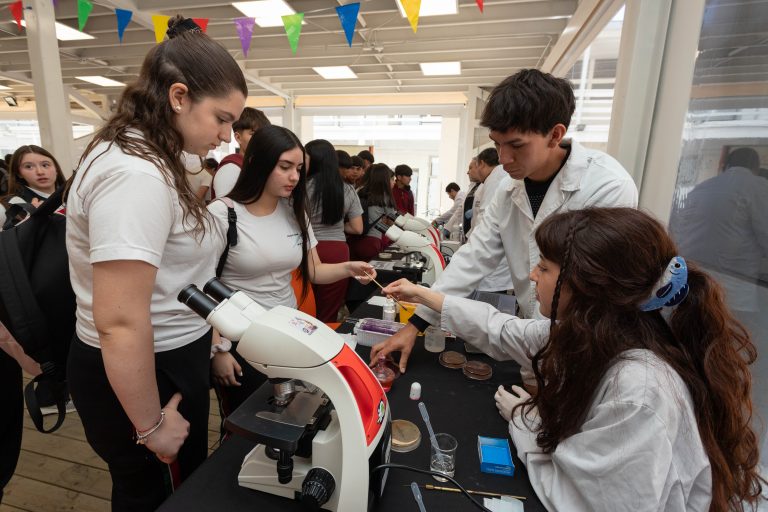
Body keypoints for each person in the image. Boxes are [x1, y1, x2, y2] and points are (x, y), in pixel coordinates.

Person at [382, 207, 765, 511]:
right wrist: (425, 296)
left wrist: (525, 425)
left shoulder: (640, 391)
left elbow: (587, 501)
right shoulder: (596, 334)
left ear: (589, 285)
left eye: (545, 268)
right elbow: (505, 331)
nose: (532, 275)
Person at [65, 16, 247, 511]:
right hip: (145, 369)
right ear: (179, 96)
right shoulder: (134, 175)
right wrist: (150, 425)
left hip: (168, 354)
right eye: (223, 118)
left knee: (172, 488)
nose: (228, 137)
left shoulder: (147, 154)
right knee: (155, 495)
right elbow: (120, 322)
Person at [371, 68, 638, 373]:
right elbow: (473, 258)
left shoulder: (606, 187)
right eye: (497, 144)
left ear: (555, 134)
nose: (504, 158)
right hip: (532, 335)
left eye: (516, 145)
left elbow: (590, 300)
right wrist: (414, 324)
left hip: (584, 346)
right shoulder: (510, 188)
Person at [207, 126, 374, 419]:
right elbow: (201, 286)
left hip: (286, 331)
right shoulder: (223, 214)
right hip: (240, 339)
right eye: (285, 167)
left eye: (298, 168)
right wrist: (218, 349)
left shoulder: (295, 212)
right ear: (258, 163)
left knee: (290, 415)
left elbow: (314, 270)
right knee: (245, 419)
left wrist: (348, 268)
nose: (295, 177)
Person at [306, 139, 364, 323]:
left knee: (304, 309)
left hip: (306, 250)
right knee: (329, 311)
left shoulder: (301, 188)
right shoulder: (348, 189)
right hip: (337, 251)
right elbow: (357, 227)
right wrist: (339, 226)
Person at [0, 145, 66, 229]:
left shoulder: (74, 195)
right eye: (29, 167)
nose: (40, 172)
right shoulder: (11, 205)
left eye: (45, 165)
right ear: (19, 173)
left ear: (56, 169)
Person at [212, 107, 270, 198]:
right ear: (238, 137)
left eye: (263, 134)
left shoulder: (257, 165)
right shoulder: (230, 168)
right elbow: (226, 208)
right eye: (253, 134)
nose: (260, 139)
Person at [349, 163, 398, 261]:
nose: (393, 182)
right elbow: (392, 222)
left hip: (353, 240)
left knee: (355, 273)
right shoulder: (385, 196)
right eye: (392, 179)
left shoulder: (358, 190)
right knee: (369, 274)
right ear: (384, 179)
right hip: (372, 241)